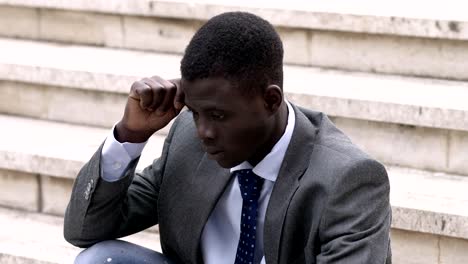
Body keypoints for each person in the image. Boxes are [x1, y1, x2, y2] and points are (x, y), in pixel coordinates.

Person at [64, 11, 392, 264]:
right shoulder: (188, 142)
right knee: (99, 259)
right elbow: (85, 230)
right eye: (195, 112)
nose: (204, 132)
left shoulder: (348, 178)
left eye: (219, 116)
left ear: (270, 100)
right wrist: (131, 134)